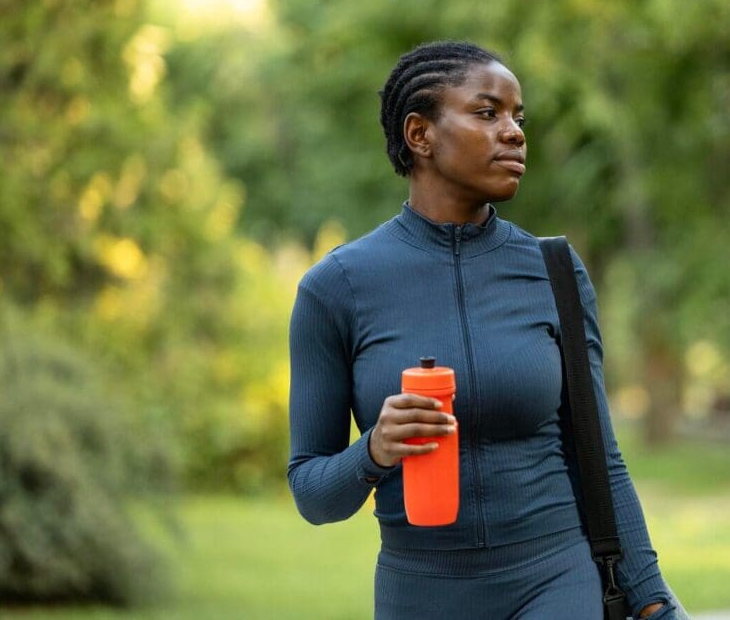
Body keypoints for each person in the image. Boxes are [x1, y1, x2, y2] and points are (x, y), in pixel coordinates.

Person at [287, 40, 683, 619]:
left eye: (518, 118)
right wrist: (374, 449)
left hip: (556, 579)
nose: (514, 132)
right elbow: (312, 493)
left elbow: (601, 456)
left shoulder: (554, 271)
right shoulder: (336, 288)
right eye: (487, 112)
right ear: (420, 134)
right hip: (420, 592)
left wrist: (653, 601)